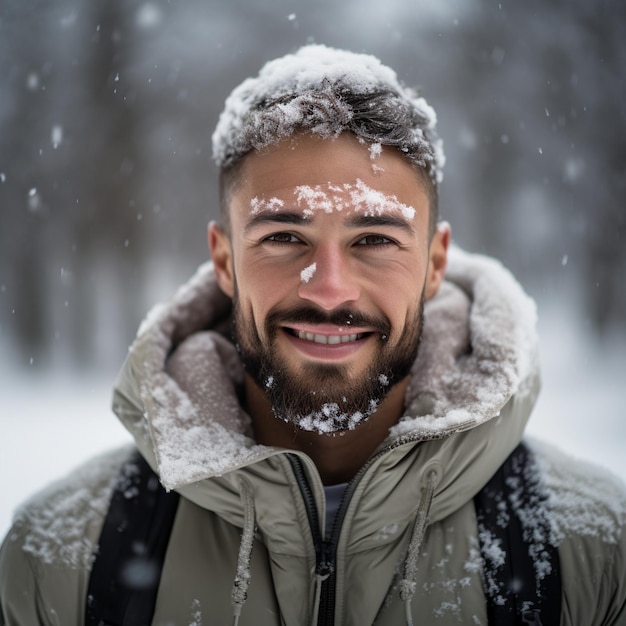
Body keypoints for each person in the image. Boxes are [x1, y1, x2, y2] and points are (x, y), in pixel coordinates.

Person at [1, 44, 625, 626]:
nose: (329, 289)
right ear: (224, 261)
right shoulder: (65, 558)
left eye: (375, 240)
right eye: (283, 237)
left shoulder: (591, 552)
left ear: (435, 263)